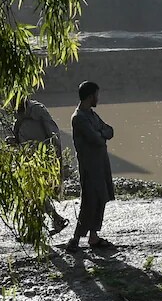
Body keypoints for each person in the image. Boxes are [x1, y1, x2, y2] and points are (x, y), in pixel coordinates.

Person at [8, 97, 69, 234]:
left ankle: (46, 224)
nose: (14, 104)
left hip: (43, 160)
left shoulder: (37, 111)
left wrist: (57, 160)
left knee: (36, 193)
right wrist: (14, 142)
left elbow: (53, 135)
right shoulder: (18, 117)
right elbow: (21, 141)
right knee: (31, 195)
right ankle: (42, 225)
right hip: (28, 162)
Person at [68, 81, 115, 251]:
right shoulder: (79, 117)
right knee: (89, 202)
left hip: (100, 164)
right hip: (89, 167)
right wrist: (102, 135)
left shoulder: (92, 115)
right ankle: (75, 238)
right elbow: (96, 139)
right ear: (90, 96)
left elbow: (110, 130)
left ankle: (93, 237)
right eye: (97, 95)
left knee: (100, 199)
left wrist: (101, 134)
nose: (98, 98)